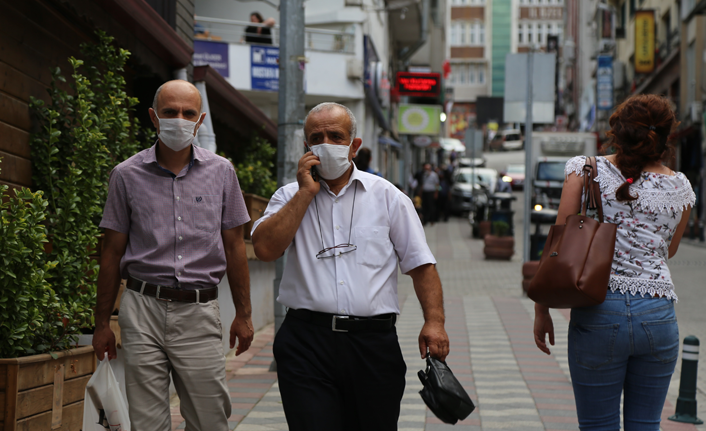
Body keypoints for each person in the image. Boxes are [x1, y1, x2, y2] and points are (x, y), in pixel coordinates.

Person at [251, 102, 449, 430]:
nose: (326, 143)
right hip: (306, 343)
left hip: (372, 345)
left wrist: (435, 322)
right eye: (317, 137)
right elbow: (266, 249)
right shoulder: (288, 196)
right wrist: (304, 194)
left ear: (354, 146)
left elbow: (421, 265)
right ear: (306, 147)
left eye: (336, 136)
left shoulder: (388, 197)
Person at [93, 80, 254, 431]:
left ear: (200, 120)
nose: (179, 120)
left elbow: (235, 247)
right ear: (154, 117)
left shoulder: (222, 172)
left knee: (210, 419)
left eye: (188, 113)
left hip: (199, 310)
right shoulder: (125, 175)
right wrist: (102, 322)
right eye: (170, 112)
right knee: (147, 422)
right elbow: (111, 252)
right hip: (142, 309)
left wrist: (244, 314)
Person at [533, 95, 694, 431]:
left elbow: (558, 249)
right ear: (665, 136)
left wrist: (541, 311)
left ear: (617, 131)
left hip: (599, 312)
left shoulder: (585, 170)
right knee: (646, 425)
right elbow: (670, 250)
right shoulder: (681, 187)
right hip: (659, 315)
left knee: (597, 426)